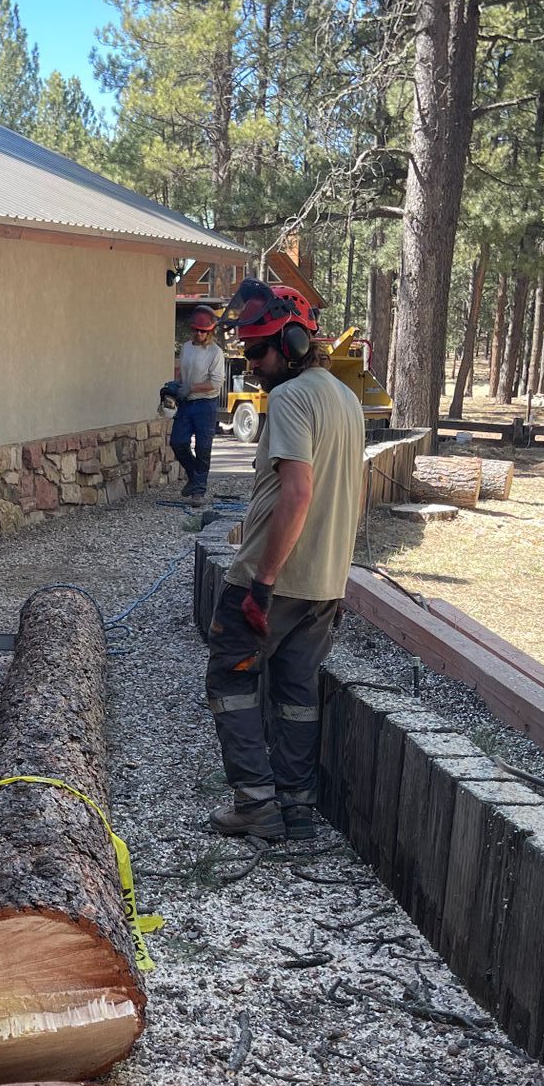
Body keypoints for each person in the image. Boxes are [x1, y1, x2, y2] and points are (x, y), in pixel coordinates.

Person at [204, 284, 365, 839]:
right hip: (322, 582)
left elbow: (298, 494)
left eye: (257, 352)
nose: (251, 366)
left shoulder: (294, 398)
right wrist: (338, 576)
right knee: (296, 694)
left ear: (292, 342)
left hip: (274, 579)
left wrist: (261, 584)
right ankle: (296, 806)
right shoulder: (345, 398)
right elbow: (348, 495)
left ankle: (254, 802)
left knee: (230, 678)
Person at [169, 305, 225, 501]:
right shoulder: (186, 347)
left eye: (204, 331)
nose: (200, 334)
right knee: (177, 442)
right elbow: (182, 370)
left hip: (205, 404)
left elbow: (216, 382)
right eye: (197, 330)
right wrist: (175, 385)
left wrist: (191, 387)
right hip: (186, 403)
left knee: (203, 448)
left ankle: (199, 491)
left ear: (211, 331)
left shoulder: (215, 353)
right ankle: (194, 477)